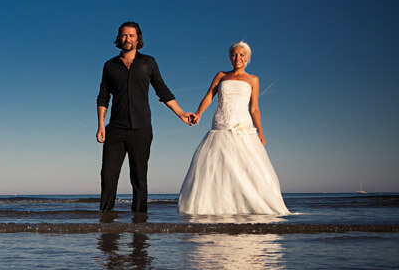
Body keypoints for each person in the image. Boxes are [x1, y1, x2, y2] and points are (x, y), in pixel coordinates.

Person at [178, 41, 290, 215]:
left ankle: (247, 208)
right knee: (217, 167)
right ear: (230, 57)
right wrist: (199, 113)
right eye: (234, 55)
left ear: (247, 58)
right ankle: (216, 208)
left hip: (242, 125)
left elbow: (254, 108)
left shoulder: (253, 79)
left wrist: (260, 132)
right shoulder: (221, 75)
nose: (237, 58)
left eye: (241, 55)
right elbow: (209, 97)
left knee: (246, 168)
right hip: (220, 124)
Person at [97, 22, 193, 214]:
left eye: (132, 35)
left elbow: (162, 90)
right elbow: (103, 96)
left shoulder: (148, 63)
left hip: (141, 129)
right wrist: (101, 126)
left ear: (138, 38)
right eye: (124, 35)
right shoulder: (110, 66)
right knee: (108, 176)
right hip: (115, 128)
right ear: (119, 38)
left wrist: (181, 113)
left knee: (139, 178)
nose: (128, 39)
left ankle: (140, 224)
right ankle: (105, 222)